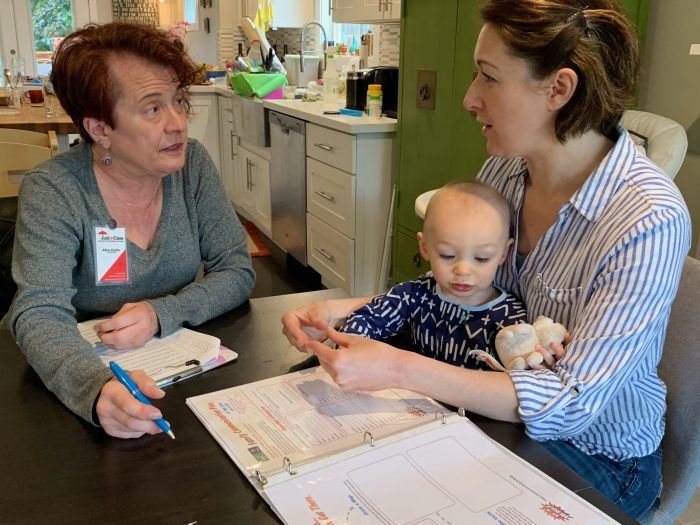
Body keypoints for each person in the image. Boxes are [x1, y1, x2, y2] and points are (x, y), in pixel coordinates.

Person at [281, 0, 691, 518]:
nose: (469, 99)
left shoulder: (647, 219)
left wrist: (400, 367)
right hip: (499, 418)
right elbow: (470, 292)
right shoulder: (506, 172)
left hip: (599, 459)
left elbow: (570, 402)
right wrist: (348, 309)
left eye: (488, 78)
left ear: (558, 90)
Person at [2, 23, 255, 439]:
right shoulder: (55, 190)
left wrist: (161, 313)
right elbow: (38, 311)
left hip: (176, 370)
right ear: (100, 129)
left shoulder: (192, 165)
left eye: (178, 101)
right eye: (153, 109)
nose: (178, 123)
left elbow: (236, 269)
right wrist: (95, 387)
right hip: (85, 377)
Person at [340, 181, 535, 370]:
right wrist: (354, 345)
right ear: (425, 247)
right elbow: (369, 317)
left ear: (503, 253)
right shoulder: (415, 294)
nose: (463, 271)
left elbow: (520, 375)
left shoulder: (510, 320)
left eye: (481, 258)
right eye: (447, 255)